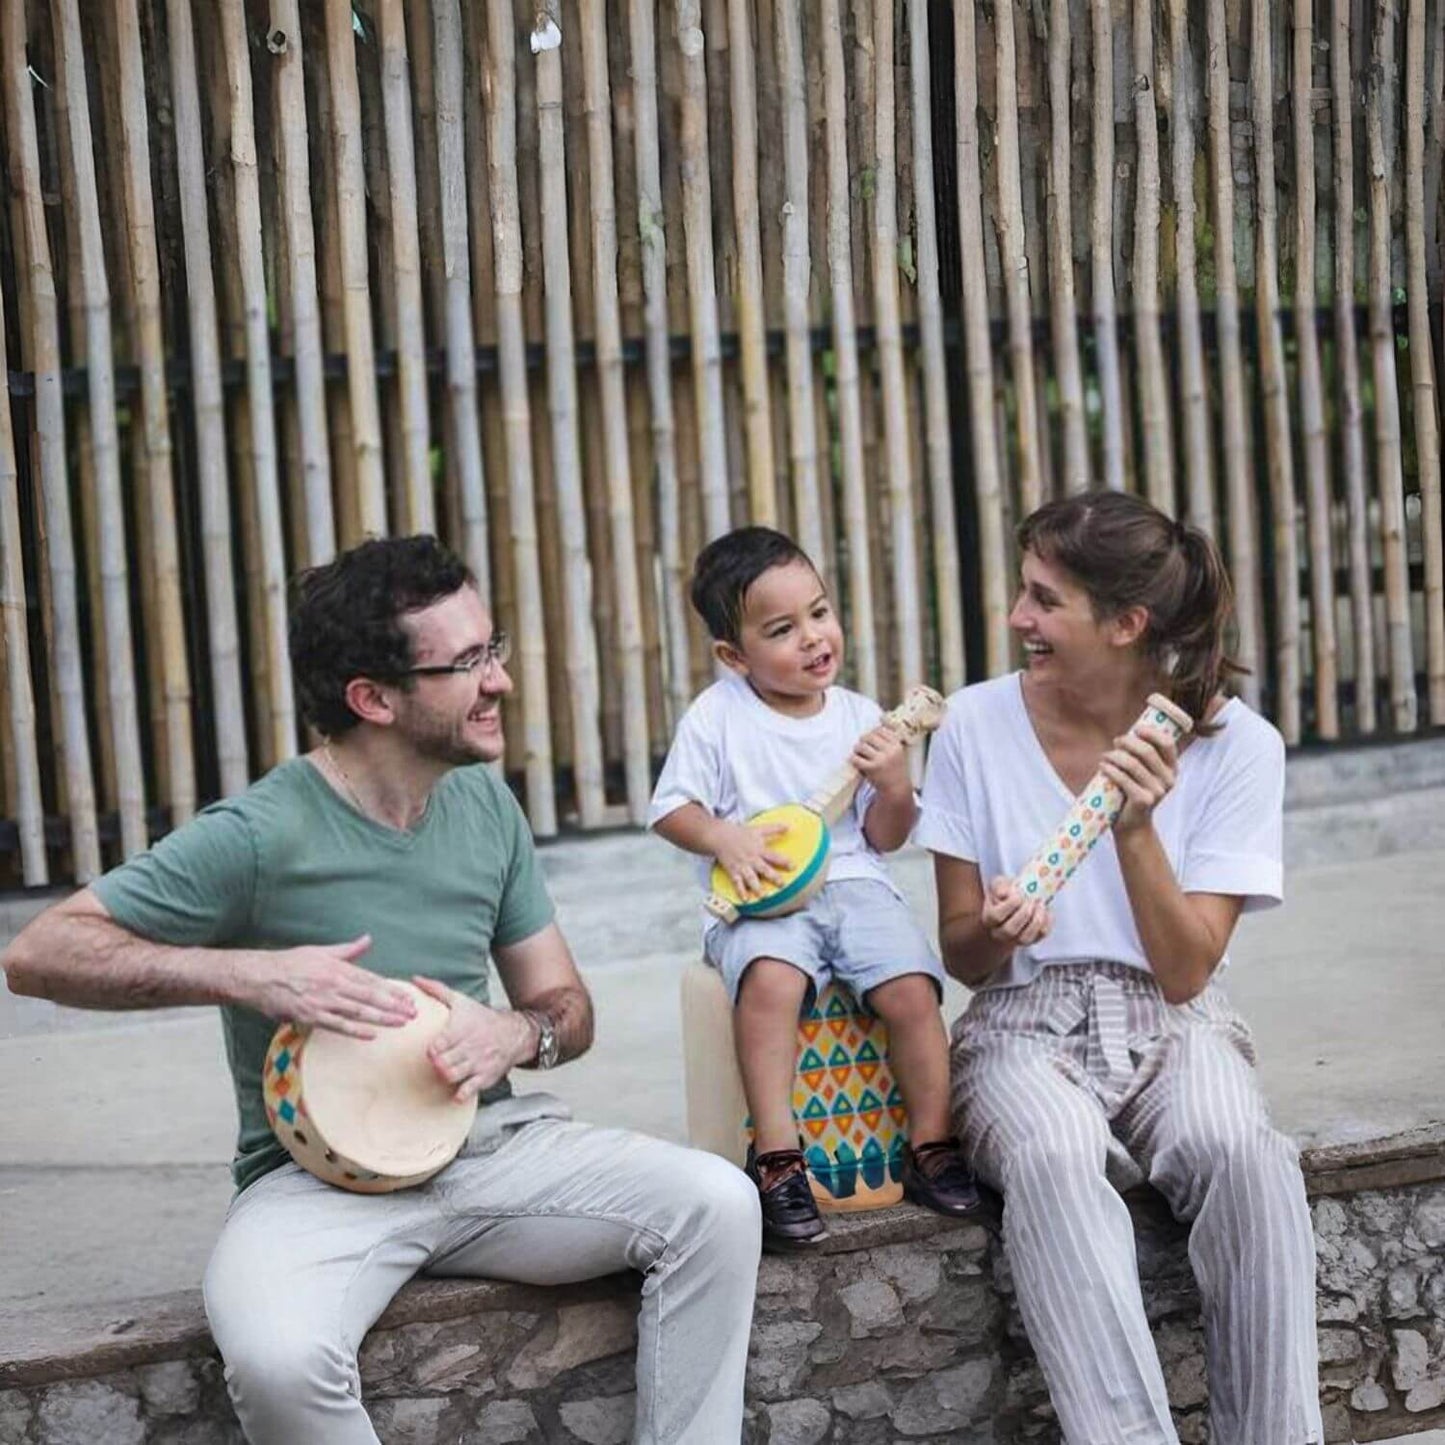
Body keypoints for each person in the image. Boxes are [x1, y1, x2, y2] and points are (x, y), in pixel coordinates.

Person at [2, 535, 761, 1445]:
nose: (500, 682)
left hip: (491, 1149)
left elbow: (567, 1006)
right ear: (373, 697)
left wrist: (514, 1036)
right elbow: (41, 952)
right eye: (468, 662)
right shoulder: (258, 832)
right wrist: (250, 971)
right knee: (281, 1361)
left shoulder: (485, 805)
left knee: (716, 1203)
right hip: (309, 1184)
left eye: (494, 647)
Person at [916, 492, 1322, 1445]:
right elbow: (961, 955)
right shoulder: (973, 725)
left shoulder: (1234, 746)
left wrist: (1135, 827)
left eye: (1043, 599)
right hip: (1020, 1022)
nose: (1018, 619)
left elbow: (1185, 972)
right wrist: (999, 926)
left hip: (1173, 1019)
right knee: (1054, 1156)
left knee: (1245, 1153)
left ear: (1125, 622)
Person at [649, 525, 994, 1253]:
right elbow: (670, 809)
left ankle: (930, 1144)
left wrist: (894, 782)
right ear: (733, 655)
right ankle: (777, 1158)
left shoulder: (860, 715)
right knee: (771, 981)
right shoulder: (717, 715)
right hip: (761, 895)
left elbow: (886, 836)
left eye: (819, 611)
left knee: (909, 983)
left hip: (855, 881)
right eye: (781, 629)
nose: (813, 637)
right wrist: (723, 837)